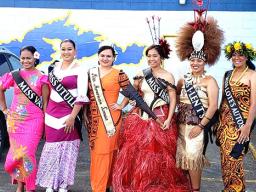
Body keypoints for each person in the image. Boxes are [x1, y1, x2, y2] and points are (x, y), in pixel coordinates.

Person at [112, 40, 190, 191]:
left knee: (157, 153)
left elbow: (173, 99)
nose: (151, 59)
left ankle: (155, 184)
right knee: (137, 152)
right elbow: (132, 92)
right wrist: (122, 105)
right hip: (140, 118)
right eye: (149, 56)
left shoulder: (168, 76)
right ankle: (139, 182)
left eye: (155, 56)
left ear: (161, 57)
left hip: (160, 117)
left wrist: (168, 119)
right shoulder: (142, 73)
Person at [175, 11, 224, 191]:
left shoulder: (210, 81)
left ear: (205, 63)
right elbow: (174, 99)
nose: (195, 63)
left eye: (199, 61)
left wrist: (201, 126)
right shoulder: (182, 80)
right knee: (182, 159)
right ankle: (185, 187)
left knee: (194, 158)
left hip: (197, 125)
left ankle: (195, 189)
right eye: (192, 60)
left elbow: (212, 107)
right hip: (180, 124)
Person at [36, 39, 89, 192]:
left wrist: (73, 116)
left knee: (68, 151)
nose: (66, 52)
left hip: (69, 115)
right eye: (63, 49)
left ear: (75, 51)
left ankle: (63, 185)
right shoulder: (53, 67)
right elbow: (46, 90)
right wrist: (45, 111)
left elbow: (81, 96)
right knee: (51, 151)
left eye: (69, 49)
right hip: (51, 116)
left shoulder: (81, 69)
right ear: (60, 51)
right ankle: (50, 184)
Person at [0, 46, 49, 192]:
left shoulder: (42, 77)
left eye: (28, 58)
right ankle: (21, 184)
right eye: (23, 58)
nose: (25, 61)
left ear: (35, 58)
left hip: (34, 121)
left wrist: (46, 123)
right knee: (16, 156)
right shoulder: (14, 75)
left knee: (27, 154)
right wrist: (4, 108)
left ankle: (30, 187)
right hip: (15, 121)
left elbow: (45, 103)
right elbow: (1, 87)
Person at [85, 41, 130, 192]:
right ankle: (103, 184)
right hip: (94, 118)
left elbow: (131, 92)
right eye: (102, 55)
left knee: (106, 152)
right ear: (98, 57)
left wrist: (121, 105)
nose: (105, 58)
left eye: (108, 56)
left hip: (111, 118)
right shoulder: (91, 73)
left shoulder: (119, 73)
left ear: (113, 58)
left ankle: (101, 187)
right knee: (97, 153)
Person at [216, 41, 256, 192]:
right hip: (224, 123)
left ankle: (237, 189)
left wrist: (247, 128)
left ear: (247, 57)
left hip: (241, 124)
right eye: (234, 55)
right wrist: (217, 123)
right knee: (225, 160)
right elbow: (224, 100)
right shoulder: (228, 74)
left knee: (235, 158)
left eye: (241, 55)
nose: (237, 57)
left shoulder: (253, 75)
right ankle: (228, 188)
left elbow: (254, 104)